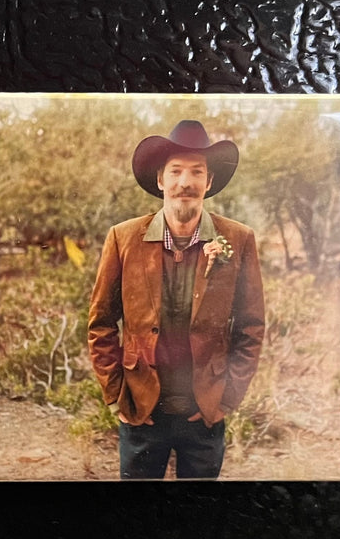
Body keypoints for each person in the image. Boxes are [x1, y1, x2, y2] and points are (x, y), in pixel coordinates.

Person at [87, 120, 266, 480]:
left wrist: (225, 399)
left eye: (197, 172)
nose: (186, 182)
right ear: (160, 179)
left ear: (209, 182)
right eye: (176, 171)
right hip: (142, 409)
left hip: (204, 410)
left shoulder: (238, 239)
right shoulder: (124, 238)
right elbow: (101, 323)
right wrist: (117, 395)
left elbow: (251, 328)